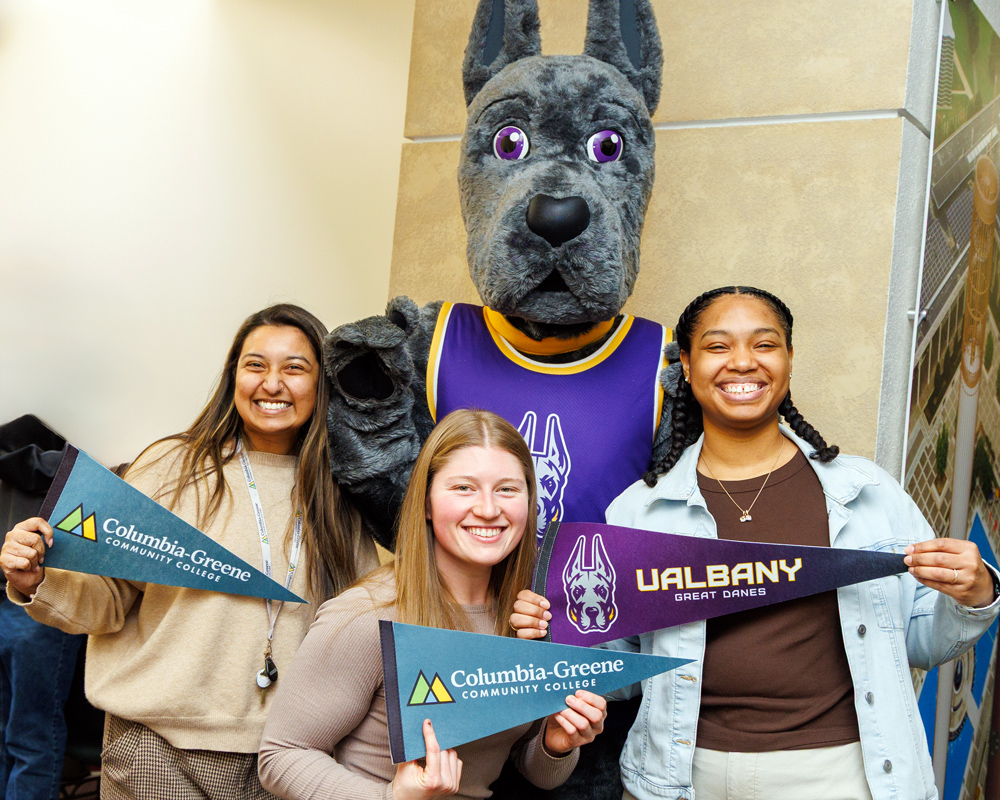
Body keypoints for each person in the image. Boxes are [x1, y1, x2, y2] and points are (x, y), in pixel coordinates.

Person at [511, 287, 1000, 800]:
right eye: (717, 347)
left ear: (788, 361)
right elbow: (620, 669)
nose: (742, 363)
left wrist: (977, 593)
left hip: (842, 775)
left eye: (765, 345)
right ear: (685, 365)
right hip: (682, 778)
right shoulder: (638, 512)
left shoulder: (868, 495)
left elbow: (923, 643)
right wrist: (551, 632)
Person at [0, 304, 380, 800]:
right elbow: (110, 597)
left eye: (294, 367)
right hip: (156, 751)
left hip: (290, 756)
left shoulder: (341, 493)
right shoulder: (171, 465)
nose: (272, 383)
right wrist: (35, 579)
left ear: (321, 384)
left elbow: (358, 627)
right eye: (255, 365)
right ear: (232, 376)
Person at [258, 408, 608, 800]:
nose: (489, 509)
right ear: (426, 503)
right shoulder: (366, 615)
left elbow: (535, 771)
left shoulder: (526, 618)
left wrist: (556, 743)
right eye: (464, 488)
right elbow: (281, 756)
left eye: (507, 489)